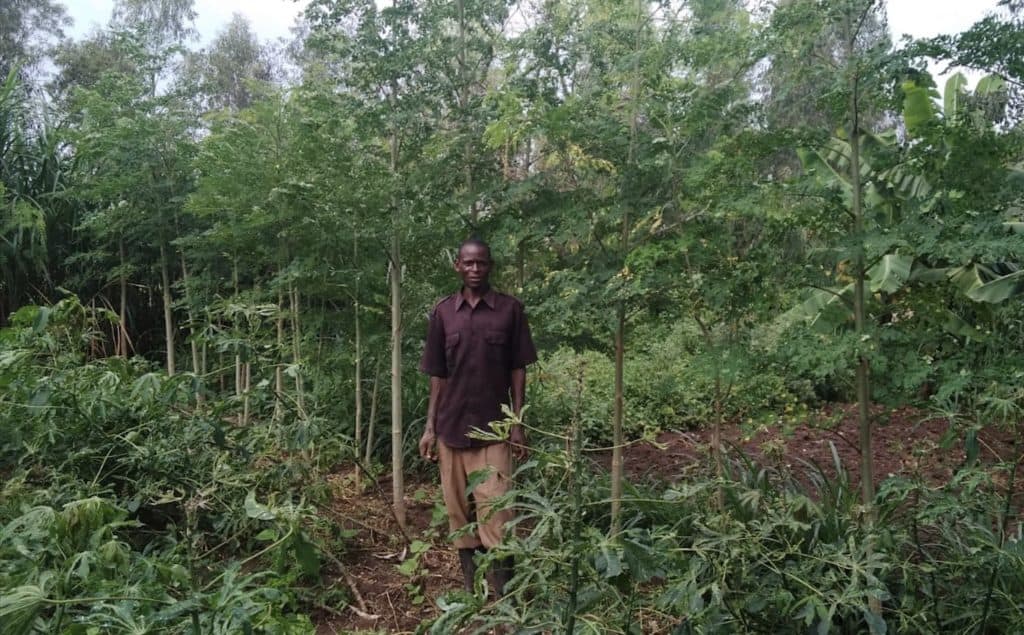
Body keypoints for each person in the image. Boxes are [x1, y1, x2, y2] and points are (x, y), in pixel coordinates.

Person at [418, 237, 538, 597]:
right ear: (457, 265)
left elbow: (519, 368)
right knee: (459, 516)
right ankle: (472, 594)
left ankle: (504, 599)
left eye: (481, 263)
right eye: (467, 263)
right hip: (450, 431)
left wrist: (517, 423)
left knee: (498, 516)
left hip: (494, 433)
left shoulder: (510, 311)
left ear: (490, 266)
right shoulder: (443, 313)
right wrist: (429, 428)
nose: (474, 269)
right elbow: (437, 375)